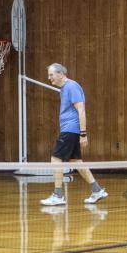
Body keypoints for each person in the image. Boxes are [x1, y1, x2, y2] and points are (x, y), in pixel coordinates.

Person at [39, 63, 107, 206]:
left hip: (71, 130)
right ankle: (97, 190)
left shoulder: (71, 86)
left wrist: (83, 133)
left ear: (61, 74)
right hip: (70, 130)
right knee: (75, 162)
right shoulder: (64, 88)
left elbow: (81, 110)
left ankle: (58, 195)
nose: (49, 78)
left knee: (56, 159)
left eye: (51, 75)